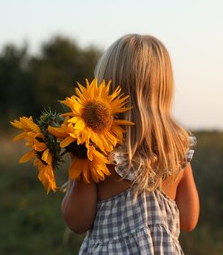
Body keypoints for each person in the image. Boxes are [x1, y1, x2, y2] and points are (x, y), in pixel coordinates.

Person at [61, 34, 200, 254]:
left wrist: (79, 160)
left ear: (105, 85)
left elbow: (77, 221)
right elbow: (189, 220)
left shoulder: (98, 149)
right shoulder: (176, 149)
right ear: (164, 89)